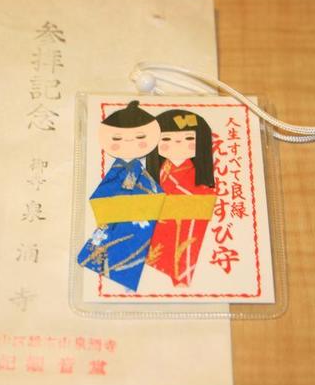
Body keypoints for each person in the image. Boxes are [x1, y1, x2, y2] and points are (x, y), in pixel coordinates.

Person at [77, 101, 165, 291]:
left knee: (132, 244)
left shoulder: (146, 170)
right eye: (117, 138)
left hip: (138, 222)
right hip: (117, 221)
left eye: (140, 136)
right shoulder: (118, 169)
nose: (129, 143)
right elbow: (99, 197)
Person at [146, 109, 217, 287]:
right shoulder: (157, 174)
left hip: (180, 233)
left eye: (189, 138)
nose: (177, 142)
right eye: (166, 139)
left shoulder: (198, 179)